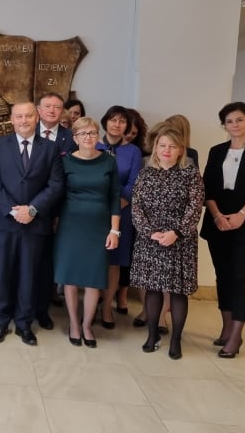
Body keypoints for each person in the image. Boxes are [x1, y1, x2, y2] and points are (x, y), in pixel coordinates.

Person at [0, 102, 64, 346]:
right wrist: (12, 210)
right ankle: (0, 321)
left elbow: (56, 184)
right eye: (19, 116)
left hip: (35, 222)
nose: (24, 120)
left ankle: (24, 323)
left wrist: (32, 209)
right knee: (2, 273)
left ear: (36, 117)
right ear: (12, 119)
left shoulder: (50, 148)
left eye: (28, 116)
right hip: (5, 221)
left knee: (29, 274)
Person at [200, 102, 245, 359]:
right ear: (224, 125)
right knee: (223, 276)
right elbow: (207, 187)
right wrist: (217, 216)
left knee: (241, 278)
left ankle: (236, 335)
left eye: (239, 119)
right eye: (229, 121)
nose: (235, 125)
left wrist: (241, 215)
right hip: (218, 222)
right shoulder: (217, 151)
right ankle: (227, 326)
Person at [131, 124, 205, 359]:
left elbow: (195, 208)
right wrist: (149, 232)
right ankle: (152, 335)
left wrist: (177, 233)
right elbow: (136, 206)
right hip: (150, 240)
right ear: (155, 148)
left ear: (181, 150)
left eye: (172, 146)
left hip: (180, 241)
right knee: (152, 289)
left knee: (177, 291)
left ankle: (176, 340)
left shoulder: (190, 174)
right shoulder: (146, 173)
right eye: (162, 145)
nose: (166, 150)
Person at [55, 116, 121, 348]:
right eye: (82, 133)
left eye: (92, 132)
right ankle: (74, 324)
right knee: (71, 278)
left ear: (98, 136)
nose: (88, 137)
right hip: (70, 226)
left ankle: (87, 325)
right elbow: (57, 194)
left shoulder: (109, 161)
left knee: (94, 278)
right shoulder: (65, 161)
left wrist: (115, 230)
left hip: (99, 226)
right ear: (75, 138)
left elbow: (115, 197)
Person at [96, 106, 142, 329]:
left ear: (127, 126)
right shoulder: (94, 145)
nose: (117, 124)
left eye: (122, 121)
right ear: (105, 122)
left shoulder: (133, 151)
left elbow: (134, 184)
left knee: (114, 262)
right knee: (94, 258)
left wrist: (115, 207)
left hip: (121, 212)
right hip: (93, 212)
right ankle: (91, 304)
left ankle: (107, 308)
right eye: (113, 120)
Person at [34, 92, 77, 326]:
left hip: (55, 210)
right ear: (38, 110)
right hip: (27, 207)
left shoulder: (70, 138)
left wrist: (59, 212)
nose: (52, 110)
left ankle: (42, 310)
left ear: (62, 112)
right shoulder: (26, 132)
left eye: (57, 107)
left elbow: (71, 177)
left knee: (46, 262)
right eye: (47, 106)